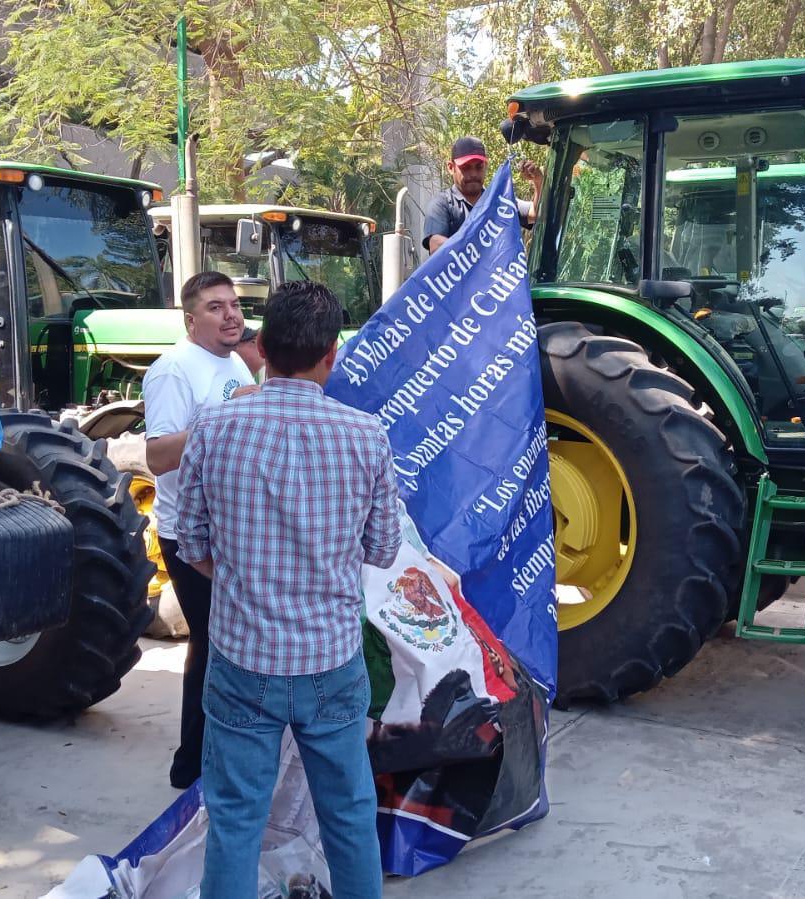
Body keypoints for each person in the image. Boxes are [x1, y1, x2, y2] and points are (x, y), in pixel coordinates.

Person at [177, 280, 400, 898]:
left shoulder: (215, 426)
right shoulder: (365, 436)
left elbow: (190, 544)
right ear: (332, 355)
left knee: (235, 817)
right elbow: (381, 550)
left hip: (242, 659)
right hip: (331, 661)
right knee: (350, 815)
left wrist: (250, 578)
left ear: (263, 347)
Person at [141, 270, 256, 790]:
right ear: (191, 318)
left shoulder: (232, 361)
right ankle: (191, 768)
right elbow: (159, 457)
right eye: (216, 307)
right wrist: (224, 421)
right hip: (192, 534)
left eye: (233, 305)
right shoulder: (173, 371)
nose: (231, 314)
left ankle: (213, 758)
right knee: (212, 646)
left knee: (226, 646)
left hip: (235, 527)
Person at [422, 135, 542, 254]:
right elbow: (436, 245)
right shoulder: (442, 204)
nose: (473, 173)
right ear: (451, 167)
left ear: (486, 165)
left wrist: (537, 180)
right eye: (466, 167)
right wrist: (479, 248)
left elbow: (535, 213)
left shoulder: (498, 202)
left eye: (479, 167)